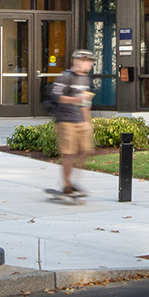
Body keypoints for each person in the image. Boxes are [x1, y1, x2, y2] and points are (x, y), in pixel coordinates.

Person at [50, 49, 97, 196]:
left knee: (85, 150)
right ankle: (67, 184)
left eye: (88, 61)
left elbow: (85, 103)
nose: (86, 64)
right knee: (69, 154)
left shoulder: (85, 79)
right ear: (75, 61)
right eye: (82, 60)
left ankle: (73, 182)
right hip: (65, 120)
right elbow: (56, 97)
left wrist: (88, 122)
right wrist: (76, 99)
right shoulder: (65, 77)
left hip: (80, 120)